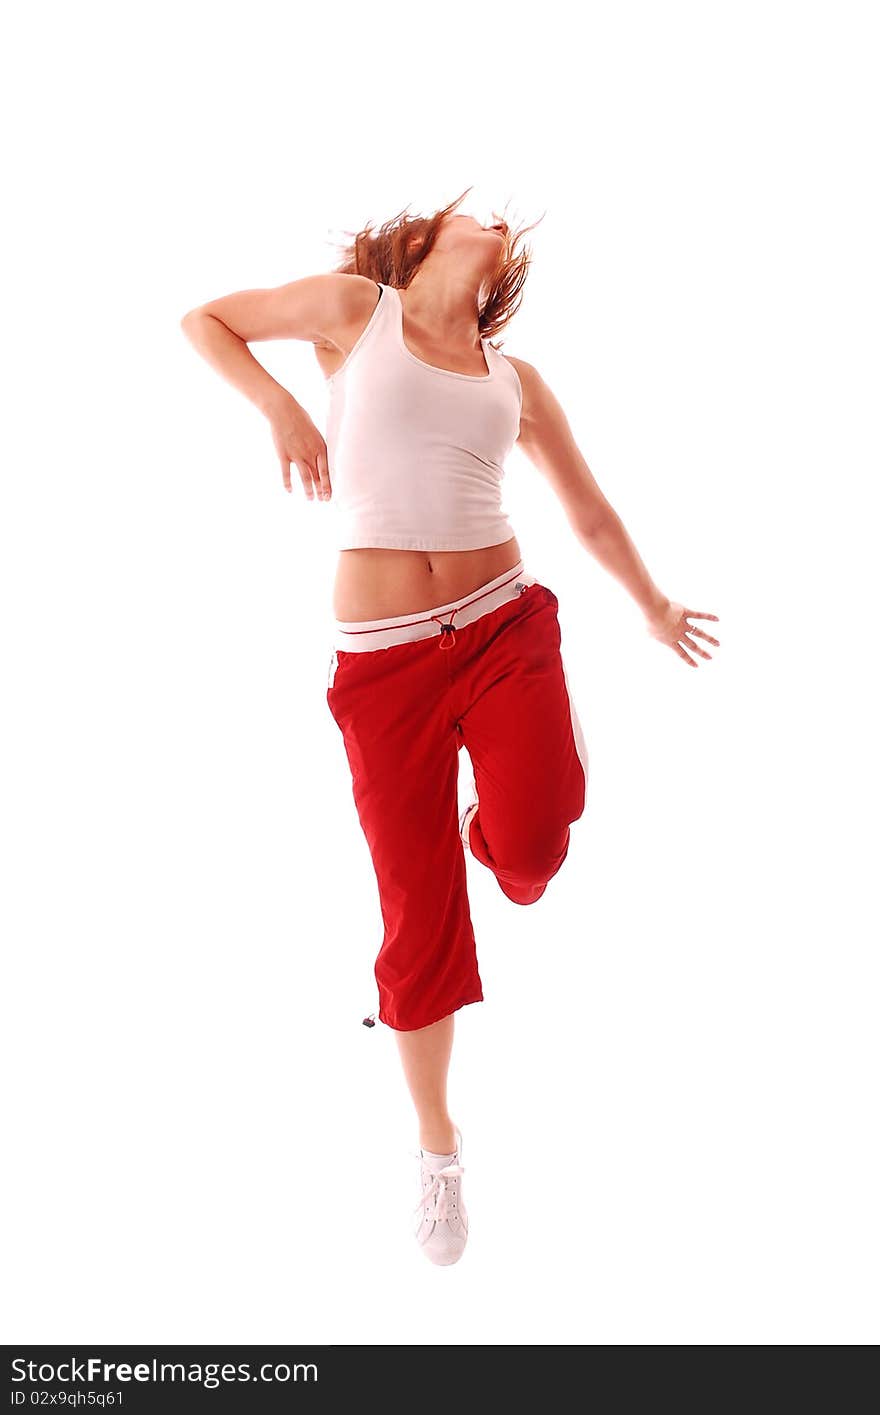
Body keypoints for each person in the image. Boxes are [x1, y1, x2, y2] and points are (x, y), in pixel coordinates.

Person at [180, 186, 720, 1267]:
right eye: (477, 212)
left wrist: (653, 604)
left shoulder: (515, 383)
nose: (497, 219)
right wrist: (281, 409)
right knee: (414, 908)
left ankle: (503, 815)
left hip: (503, 622)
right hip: (384, 670)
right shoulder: (352, 311)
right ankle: (437, 1149)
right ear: (424, 241)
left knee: (534, 841)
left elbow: (589, 511)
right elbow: (207, 320)